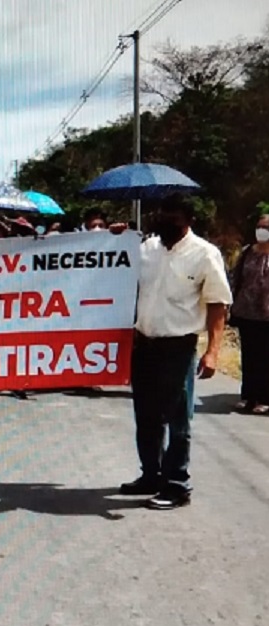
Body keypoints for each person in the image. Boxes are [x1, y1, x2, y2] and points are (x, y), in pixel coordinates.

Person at [118, 195, 233, 510]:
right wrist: (114, 238)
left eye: (175, 220)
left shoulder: (205, 255)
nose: (167, 224)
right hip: (144, 344)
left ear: (188, 221)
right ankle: (151, 475)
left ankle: (176, 485)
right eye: (163, 217)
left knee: (178, 420)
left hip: (177, 347)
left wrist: (212, 352)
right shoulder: (146, 250)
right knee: (146, 416)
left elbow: (218, 305)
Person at [228, 215, 269, 414]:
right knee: (249, 356)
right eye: (259, 226)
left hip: (267, 314)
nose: (261, 230)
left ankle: (264, 398)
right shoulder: (246, 253)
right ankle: (248, 396)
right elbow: (236, 278)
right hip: (247, 312)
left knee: (266, 357)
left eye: (266, 227)